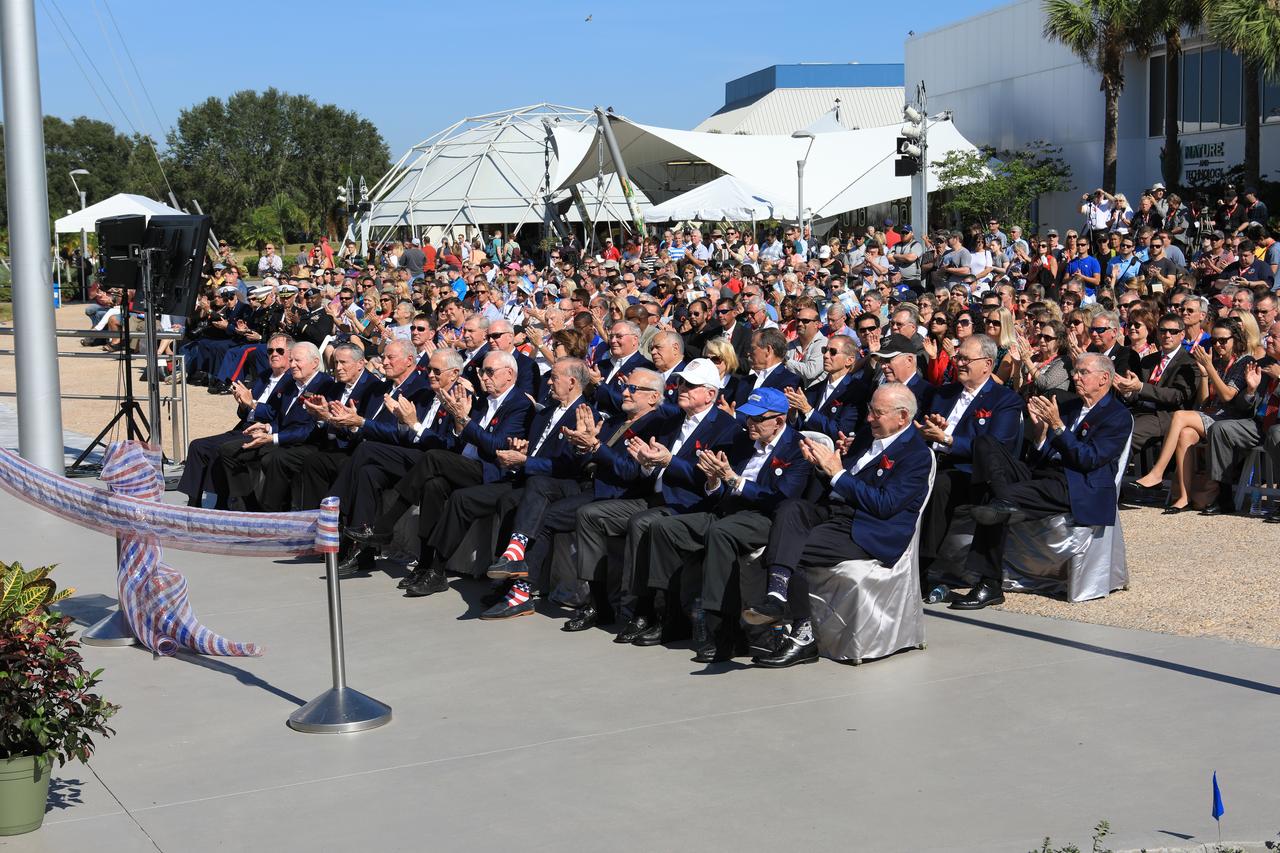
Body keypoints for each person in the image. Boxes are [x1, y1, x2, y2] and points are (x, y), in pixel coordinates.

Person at [743, 383, 934, 667]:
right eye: (870, 410)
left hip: (868, 528)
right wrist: (822, 468)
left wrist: (837, 473)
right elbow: (841, 483)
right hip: (836, 513)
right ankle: (776, 597)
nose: (869, 418)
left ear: (902, 417)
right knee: (791, 508)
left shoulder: (916, 455)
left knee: (790, 546)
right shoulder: (869, 437)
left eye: (877, 413)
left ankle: (802, 632)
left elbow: (885, 505)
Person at [643, 387, 813, 662]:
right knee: (665, 528)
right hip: (728, 510)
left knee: (720, 533)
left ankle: (724, 631)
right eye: (748, 418)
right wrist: (713, 482)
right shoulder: (742, 440)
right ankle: (669, 614)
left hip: (765, 517)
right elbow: (722, 488)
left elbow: (782, 498)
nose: (750, 424)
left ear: (779, 421)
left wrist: (734, 480)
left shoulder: (798, 447)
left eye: (758, 419)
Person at [951, 353, 1133, 609]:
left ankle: (989, 583)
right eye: (1075, 371)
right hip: (1042, 475)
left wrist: (1058, 427)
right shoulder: (1069, 406)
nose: (1074, 376)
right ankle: (1003, 500)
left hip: (1075, 483)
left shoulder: (1117, 416)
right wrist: (1039, 436)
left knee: (998, 500)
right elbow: (1037, 458)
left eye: (1082, 372)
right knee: (985, 444)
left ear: (1104, 378)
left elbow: (1089, 460)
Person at [578, 358, 738, 645]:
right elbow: (652, 461)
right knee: (589, 514)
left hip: (689, 505)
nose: (682, 388)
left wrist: (669, 461)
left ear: (710, 394)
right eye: (681, 383)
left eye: (691, 385)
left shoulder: (725, 428)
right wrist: (647, 462)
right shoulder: (672, 418)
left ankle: (644, 610)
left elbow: (708, 478)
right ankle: (598, 603)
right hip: (655, 496)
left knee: (642, 524)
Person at [426, 358, 591, 619]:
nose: (548, 381)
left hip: (562, 485)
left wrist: (528, 461)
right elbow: (532, 448)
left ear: (571, 382)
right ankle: (498, 578)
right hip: (524, 476)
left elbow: (569, 466)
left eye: (554, 377)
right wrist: (520, 453)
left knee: (526, 494)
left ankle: (514, 566)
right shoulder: (546, 412)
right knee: (494, 499)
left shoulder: (584, 414)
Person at [914, 334, 1024, 581]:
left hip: (970, 471)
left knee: (941, 485)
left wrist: (947, 439)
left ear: (987, 364)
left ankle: (922, 566)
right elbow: (922, 427)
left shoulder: (1005, 400)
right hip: (930, 460)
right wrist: (929, 430)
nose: (959, 363)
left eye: (965, 359)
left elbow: (996, 447)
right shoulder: (943, 394)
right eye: (957, 357)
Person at [1130, 319, 1255, 512]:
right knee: (1185, 433)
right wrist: (1205, 374)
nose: (1218, 345)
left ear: (1235, 340)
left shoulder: (1243, 361)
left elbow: (1228, 396)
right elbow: (1206, 400)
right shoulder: (1217, 361)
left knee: (1180, 416)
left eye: (1223, 341)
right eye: (1214, 341)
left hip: (1230, 419)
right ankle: (1184, 496)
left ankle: (1158, 472)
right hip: (1213, 415)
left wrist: (1209, 368)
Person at [177, 333, 295, 508]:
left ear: (290, 354)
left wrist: (252, 404)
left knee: (220, 449)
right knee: (198, 445)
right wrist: (242, 404)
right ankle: (194, 501)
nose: (274, 354)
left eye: (279, 350)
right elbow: (244, 413)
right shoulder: (264, 377)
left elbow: (279, 415)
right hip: (245, 426)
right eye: (270, 350)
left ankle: (222, 501)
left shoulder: (291, 381)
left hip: (264, 430)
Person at [1201, 322, 1280, 519]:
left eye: (1274, 337)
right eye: (1268, 335)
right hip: (1258, 424)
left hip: (1276, 426)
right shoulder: (1259, 364)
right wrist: (1251, 391)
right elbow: (1244, 407)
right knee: (1220, 428)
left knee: (1276, 433)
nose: (1267, 339)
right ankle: (1224, 495)